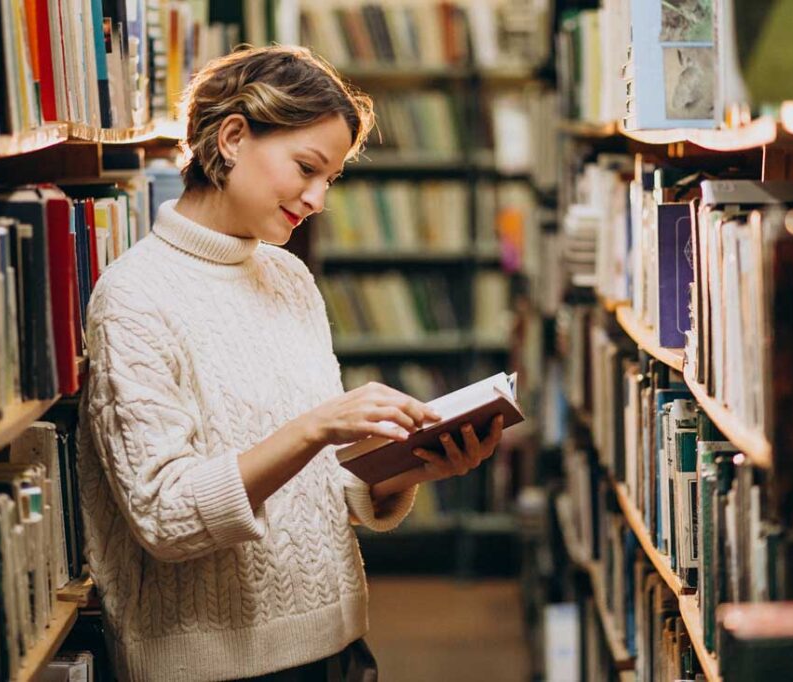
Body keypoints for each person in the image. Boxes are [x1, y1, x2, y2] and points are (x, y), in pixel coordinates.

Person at [77, 45, 505, 682]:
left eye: (329, 179)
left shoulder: (289, 277)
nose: (317, 198)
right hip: (215, 667)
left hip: (339, 645)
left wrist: (404, 467)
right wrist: (314, 428)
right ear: (231, 137)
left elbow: (325, 488)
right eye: (307, 168)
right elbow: (165, 517)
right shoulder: (133, 297)